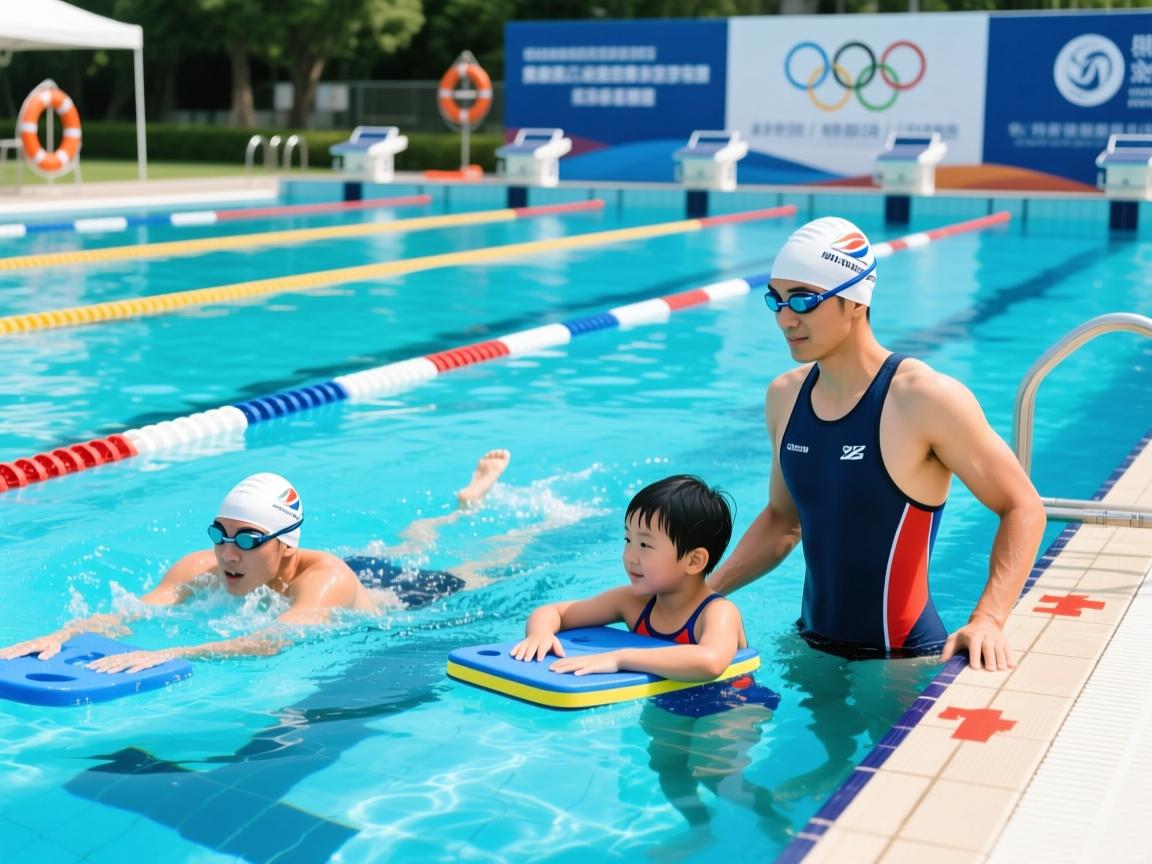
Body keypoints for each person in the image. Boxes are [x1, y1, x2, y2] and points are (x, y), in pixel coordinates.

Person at [708, 216, 1047, 671]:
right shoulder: (784, 395)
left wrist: (988, 618)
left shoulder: (923, 397)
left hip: (902, 660)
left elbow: (1023, 506)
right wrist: (704, 592)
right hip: (809, 646)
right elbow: (783, 521)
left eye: (804, 300)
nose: (786, 318)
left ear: (854, 300)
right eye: (777, 299)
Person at [0, 450, 515, 674]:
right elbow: (133, 610)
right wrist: (65, 634)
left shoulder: (325, 579)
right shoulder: (205, 565)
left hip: (395, 596)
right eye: (220, 535)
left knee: (483, 569)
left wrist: (179, 651)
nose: (227, 553)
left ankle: (478, 511)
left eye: (246, 540)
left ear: (284, 543)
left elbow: (275, 639)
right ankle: (460, 505)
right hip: (336, 568)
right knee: (408, 543)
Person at [511, 474, 747, 682]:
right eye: (628, 540)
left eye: (645, 544)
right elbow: (555, 613)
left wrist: (620, 659)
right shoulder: (633, 603)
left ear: (694, 561)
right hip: (667, 702)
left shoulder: (717, 612)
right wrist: (539, 634)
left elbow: (711, 662)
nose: (630, 557)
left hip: (732, 707)